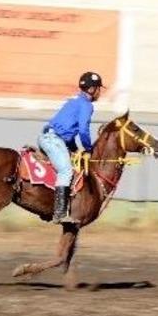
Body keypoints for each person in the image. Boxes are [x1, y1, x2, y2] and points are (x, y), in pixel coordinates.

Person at [39, 72, 103, 224]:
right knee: (66, 171)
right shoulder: (87, 105)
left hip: (51, 137)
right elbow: (83, 129)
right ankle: (60, 213)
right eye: (98, 88)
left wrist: (74, 149)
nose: (100, 92)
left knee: (67, 168)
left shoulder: (74, 100)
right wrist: (88, 149)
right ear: (91, 89)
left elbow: (68, 130)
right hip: (54, 139)